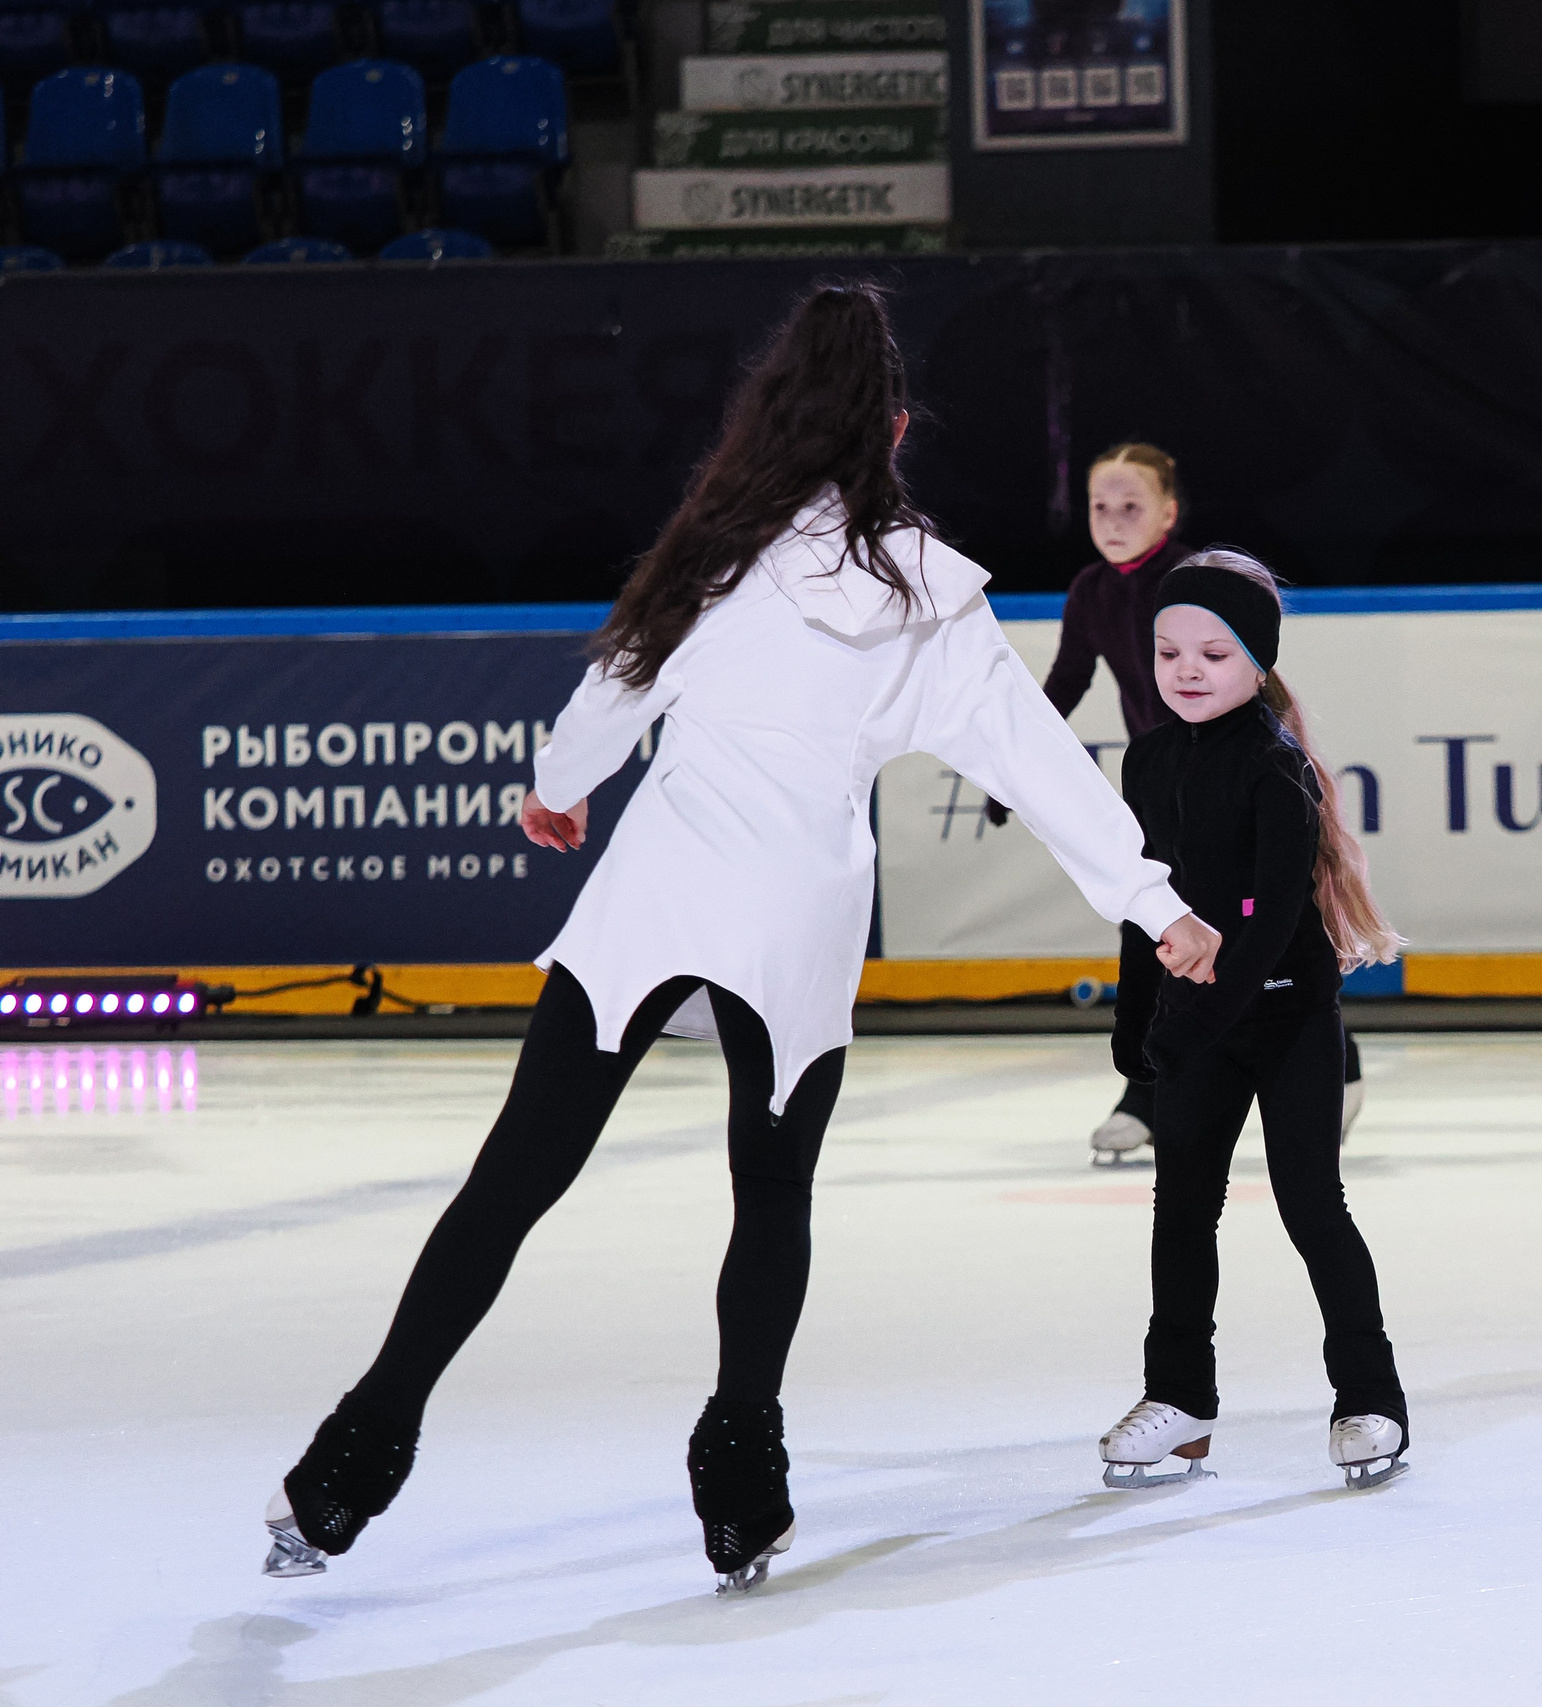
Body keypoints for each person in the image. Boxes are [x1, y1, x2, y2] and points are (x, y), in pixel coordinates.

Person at [258, 283, 1223, 1597]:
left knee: (513, 1177)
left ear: (770, 414)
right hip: (799, 911)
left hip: (657, 886)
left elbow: (614, 685)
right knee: (768, 1193)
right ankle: (741, 1481)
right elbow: (1046, 767)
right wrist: (1158, 904)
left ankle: (349, 1460)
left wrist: (558, 786)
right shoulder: (932, 594)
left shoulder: (713, 546)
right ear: (890, 427)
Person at [1094, 549, 1411, 1493]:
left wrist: (1191, 1023)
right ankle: (1180, 1400)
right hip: (1197, 1020)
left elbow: (1271, 926)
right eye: (1169, 650)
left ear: (1257, 665)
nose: (1188, 670)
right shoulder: (1146, 762)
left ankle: (1372, 1397)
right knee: (1181, 1210)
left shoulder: (1280, 770)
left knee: (1311, 1202)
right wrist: (1137, 1016)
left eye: (1215, 654)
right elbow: (1142, 900)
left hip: (1286, 1020)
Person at [986, 443, 1362, 1164]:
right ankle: (1149, 1089)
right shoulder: (1092, 591)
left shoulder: (1193, 582)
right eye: (1101, 506)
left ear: (1169, 512)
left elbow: (1247, 663)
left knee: (1263, 932)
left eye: (1132, 507)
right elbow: (1064, 684)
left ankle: (1330, 1058)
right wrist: (1009, 770)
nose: (1114, 520)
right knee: (1162, 923)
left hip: (1233, 777)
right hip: (1163, 787)